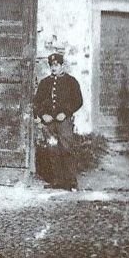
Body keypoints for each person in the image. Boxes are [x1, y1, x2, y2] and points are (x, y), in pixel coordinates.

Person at [33, 51, 84, 190]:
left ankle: (71, 181)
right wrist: (43, 115)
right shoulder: (45, 83)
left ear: (62, 65)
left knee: (67, 148)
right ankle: (57, 180)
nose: (54, 68)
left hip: (64, 122)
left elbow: (78, 101)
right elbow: (36, 102)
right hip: (49, 123)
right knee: (52, 149)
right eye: (52, 65)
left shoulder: (71, 81)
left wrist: (66, 113)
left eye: (57, 65)